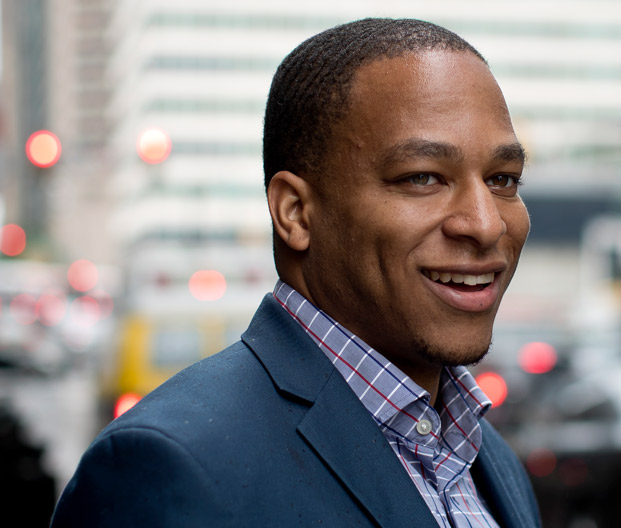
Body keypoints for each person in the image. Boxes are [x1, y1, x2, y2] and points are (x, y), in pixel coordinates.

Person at [51, 18, 540, 528]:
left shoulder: (492, 463)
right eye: (422, 178)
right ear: (296, 213)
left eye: (503, 179)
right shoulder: (166, 468)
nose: (485, 224)